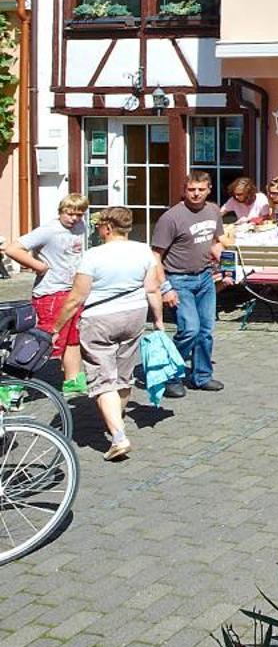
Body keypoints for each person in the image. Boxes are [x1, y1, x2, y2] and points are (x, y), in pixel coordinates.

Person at [52, 206, 166, 461]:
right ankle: (117, 420)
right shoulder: (143, 250)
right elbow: (152, 289)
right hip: (135, 314)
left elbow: (76, 297)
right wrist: (158, 320)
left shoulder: (93, 255)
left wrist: (57, 327)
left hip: (100, 318)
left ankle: (118, 436)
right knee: (123, 374)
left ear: (107, 227)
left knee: (102, 377)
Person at [3, 191, 89, 397]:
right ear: (61, 211)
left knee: (73, 337)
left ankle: (73, 380)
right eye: (70, 214)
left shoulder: (81, 227)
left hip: (73, 290)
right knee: (42, 338)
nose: (74, 218)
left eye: (79, 214)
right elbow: (13, 248)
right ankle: (13, 383)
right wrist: (39, 266)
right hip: (51, 293)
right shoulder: (49, 230)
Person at [152, 171, 224, 394]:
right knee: (189, 330)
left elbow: (214, 243)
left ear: (209, 189)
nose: (196, 194)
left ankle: (202, 376)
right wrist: (165, 288)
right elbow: (155, 256)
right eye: (191, 189)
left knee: (206, 330)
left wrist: (226, 265)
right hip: (179, 279)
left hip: (205, 277)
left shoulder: (213, 211)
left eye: (201, 189)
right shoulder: (171, 218)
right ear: (184, 191)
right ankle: (171, 375)